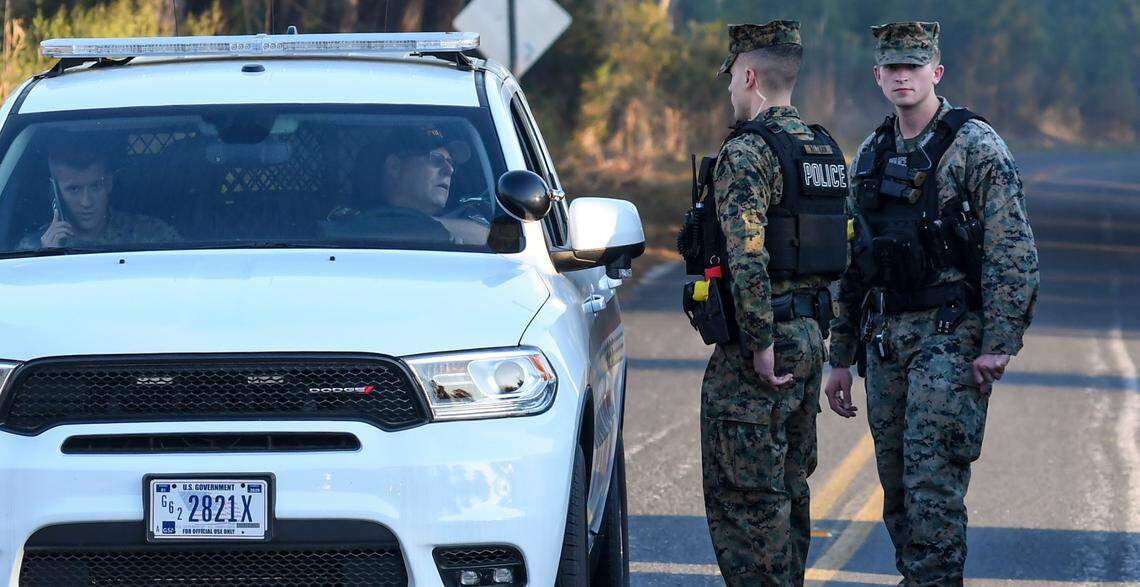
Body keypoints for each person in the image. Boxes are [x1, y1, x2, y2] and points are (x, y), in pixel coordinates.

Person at [823, 22, 1040, 586]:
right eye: (893, 67)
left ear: (936, 72)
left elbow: (1012, 250)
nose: (903, 77)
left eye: (914, 67)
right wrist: (839, 356)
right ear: (877, 76)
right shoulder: (871, 153)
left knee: (932, 482)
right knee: (896, 485)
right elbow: (853, 261)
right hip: (886, 340)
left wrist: (998, 343)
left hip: (951, 334)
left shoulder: (975, 146)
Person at [697, 20, 848, 586]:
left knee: (745, 500)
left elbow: (747, 252)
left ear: (750, 77)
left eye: (732, 77)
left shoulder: (749, 152)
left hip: (766, 345)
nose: (729, 90)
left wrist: (759, 342)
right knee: (788, 487)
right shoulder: (822, 150)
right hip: (809, 335)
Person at [325, 127, 483, 244]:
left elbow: (491, 239)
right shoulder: (348, 225)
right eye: (437, 159)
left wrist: (414, 223)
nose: (449, 170)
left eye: (451, 163)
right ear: (394, 167)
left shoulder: (468, 213)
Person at [20, 139, 179, 249]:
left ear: (109, 183)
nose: (86, 202)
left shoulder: (153, 235)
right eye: (74, 189)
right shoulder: (32, 249)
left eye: (95, 186)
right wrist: (47, 259)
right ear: (55, 192)